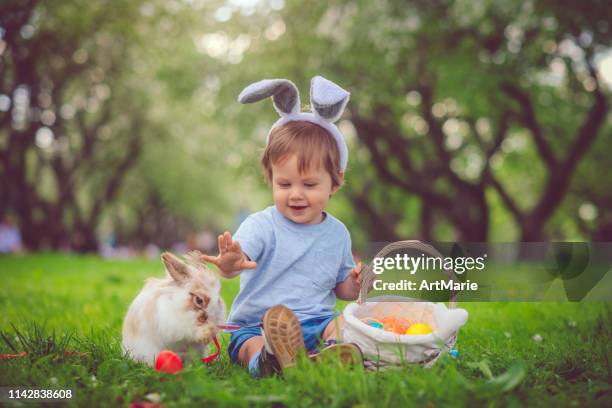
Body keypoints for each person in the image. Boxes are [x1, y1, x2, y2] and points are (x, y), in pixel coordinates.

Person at [202, 76, 364, 377]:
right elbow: (236, 263)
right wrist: (230, 264)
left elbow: (342, 287)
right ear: (272, 179)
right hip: (260, 324)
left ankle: (328, 353)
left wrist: (355, 284)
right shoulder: (262, 225)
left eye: (310, 184)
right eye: (284, 183)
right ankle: (265, 360)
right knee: (249, 342)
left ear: (335, 183)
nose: (296, 193)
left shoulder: (338, 233)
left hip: (317, 321)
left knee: (345, 323)